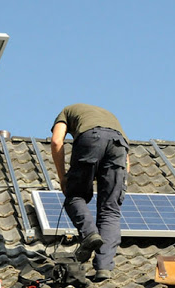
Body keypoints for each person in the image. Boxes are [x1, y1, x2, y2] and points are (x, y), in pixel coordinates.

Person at [50, 103, 129, 281]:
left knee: (75, 196)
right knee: (110, 210)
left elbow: (56, 141)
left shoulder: (67, 110)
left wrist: (63, 178)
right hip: (120, 145)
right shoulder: (110, 115)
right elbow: (126, 161)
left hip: (90, 138)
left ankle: (89, 234)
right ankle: (104, 268)